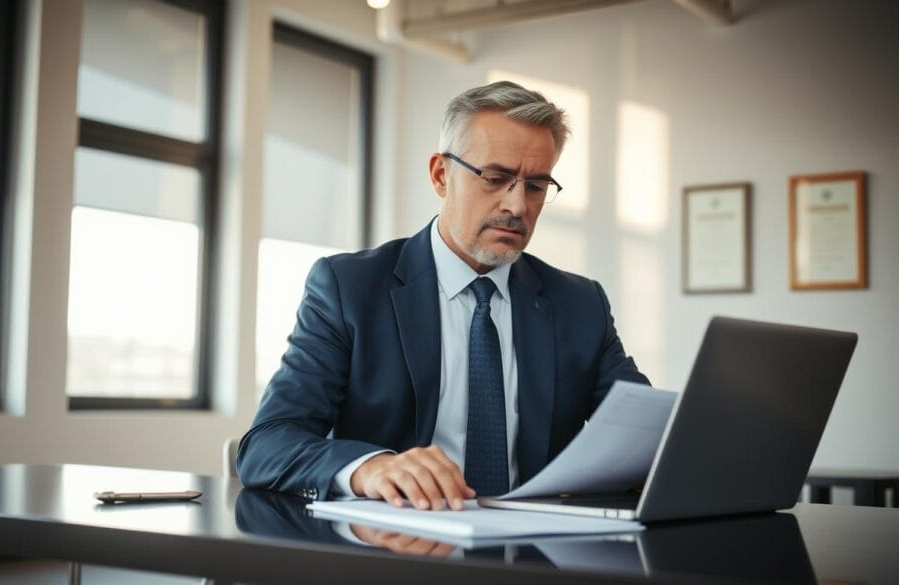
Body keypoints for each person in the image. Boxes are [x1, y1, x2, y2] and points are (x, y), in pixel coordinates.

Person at [237, 80, 649, 511]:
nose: (517, 206)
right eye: (496, 178)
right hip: (393, 552)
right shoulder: (349, 289)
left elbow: (645, 437)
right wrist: (369, 467)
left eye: (536, 186)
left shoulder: (580, 305)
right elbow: (267, 443)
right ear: (440, 175)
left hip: (533, 556)